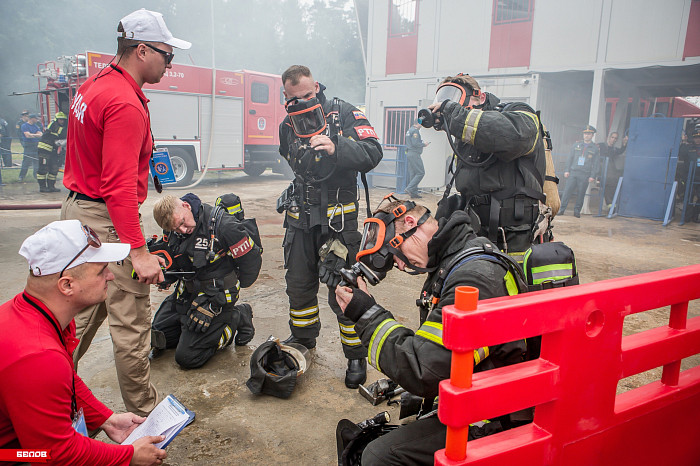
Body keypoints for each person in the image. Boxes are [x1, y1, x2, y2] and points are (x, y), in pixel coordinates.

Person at [61, 8, 191, 416]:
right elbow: (117, 186)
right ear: (141, 50)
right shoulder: (124, 104)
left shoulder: (96, 84)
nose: (171, 65)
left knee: (77, 318)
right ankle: (147, 419)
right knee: (132, 324)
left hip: (79, 212)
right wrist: (137, 251)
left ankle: (48, 401)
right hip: (106, 219)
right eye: (167, 56)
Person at [335, 198, 528, 464]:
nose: (401, 266)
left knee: (377, 456)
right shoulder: (457, 258)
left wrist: (366, 314)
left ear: (411, 223)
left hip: (493, 415)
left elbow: (424, 372)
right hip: (481, 392)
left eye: (397, 256)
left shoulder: (473, 277)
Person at [0, 220, 167, 466]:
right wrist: (128, 456)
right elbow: (53, 454)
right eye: (101, 271)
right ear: (67, 285)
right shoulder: (40, 357)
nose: (110, 275)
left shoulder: (31, 312)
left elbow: (68, 379)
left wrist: (106, 419)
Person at [278, 65, 383, 388]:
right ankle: (304, 340)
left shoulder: (344, 113)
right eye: (294, 99)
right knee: (298, 285)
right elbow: (292, 160)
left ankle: (355, 356)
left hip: (339, 223)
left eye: (308, 95)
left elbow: (373, 152)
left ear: (318, 87)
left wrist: (338, 148)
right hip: (300, 220)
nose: (302, 103)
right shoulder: (287, 126)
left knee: (344, 291)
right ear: (286, 97)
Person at [426, 74, 546, 254]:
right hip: (477, 232)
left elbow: (512, 136)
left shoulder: (518, 113)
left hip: (514, 237)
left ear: (481, 97)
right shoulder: (466, 138)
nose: (450, 105)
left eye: (456, 98)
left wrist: (455, 115)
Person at [149, 193, 262, 369]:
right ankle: (193, 330)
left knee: (187, 358)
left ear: (186, 206)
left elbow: (251, 263)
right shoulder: (173, 228)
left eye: (182, 223)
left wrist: (219, 303)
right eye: (176, 229)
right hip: (187, 293)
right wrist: (166, 275)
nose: (183, 230)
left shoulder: (224, 225)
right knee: (158, 337)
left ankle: (236, 316)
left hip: (215, 297)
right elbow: (179, 260)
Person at [560, 125, 601, 218]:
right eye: (585, 134)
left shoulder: (594, 148)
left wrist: (593, 176)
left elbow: (596, 164)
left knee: (581, 193)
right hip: (573, 172)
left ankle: (577, 211)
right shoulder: (576, 145)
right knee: (567, 192)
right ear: (583, 135)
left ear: (592, 135)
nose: (587, 135)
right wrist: (567, 170)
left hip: (585, 174)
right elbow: (570, 158)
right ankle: (561, 209)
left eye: (589, 134)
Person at [37, 111, 68, 193]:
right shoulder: (54, 125)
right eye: (61, 120)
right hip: (44, 150)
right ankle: (42, 187)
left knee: (54, 168)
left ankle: (51, 186)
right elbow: (60, 136)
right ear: (56, 119)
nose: (62, 121)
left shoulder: (60, 127)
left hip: (53, 151)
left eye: (63, 120)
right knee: (43, 169)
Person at [597, 131, 628, 207]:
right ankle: (610, 203)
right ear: (608, 137)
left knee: (614, 182)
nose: (613, 139)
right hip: (601, 171)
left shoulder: (614, 149)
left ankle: (612, 204)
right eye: (612, 137)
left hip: (610, 173)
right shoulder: (601, 145)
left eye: (615, 138)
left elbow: (621, 151)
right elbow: (592, 147)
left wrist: (624, 144)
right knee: (607, 183)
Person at [404, 119, 429, 198]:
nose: (422, 126)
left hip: (409, 153)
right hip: (414, 154)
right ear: (418, 124)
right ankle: (410, 188)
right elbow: (415, 143)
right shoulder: (415, 131)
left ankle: (413, 193)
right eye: (421, 124)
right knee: (421, 172)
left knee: (413, 173)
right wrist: (424, 144)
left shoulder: (409, 130)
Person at [18, 113, 43, 182]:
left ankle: (36, 176)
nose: (37, 120)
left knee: (36, 161)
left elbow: (40, 134)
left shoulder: (36, 126)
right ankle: (21, 176)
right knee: (26, 161)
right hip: (28, 145)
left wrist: (32, 135)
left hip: (35, 144)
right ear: (32, 119)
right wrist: (35, 135)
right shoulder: (24, 125)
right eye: (36, 118)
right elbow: (27, 135)